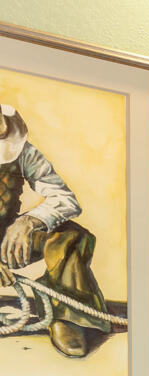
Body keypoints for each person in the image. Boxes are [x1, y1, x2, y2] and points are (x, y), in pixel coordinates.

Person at [0, 104, 109, 358]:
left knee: (72, 236)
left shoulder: (23, 152)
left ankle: (69, 318)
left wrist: (30, 221)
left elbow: (65, 199)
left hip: (7, 239)